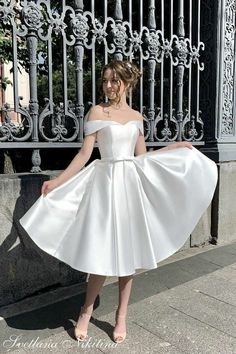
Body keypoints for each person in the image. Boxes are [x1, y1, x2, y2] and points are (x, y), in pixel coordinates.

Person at [20, 60, 218, 344]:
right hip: (104, 186)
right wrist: (57, 181)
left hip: (129, 188)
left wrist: (172, 148)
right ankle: (86, 311)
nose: (109, 86)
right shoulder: (97, 111)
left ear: (127, 83)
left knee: (129, 254)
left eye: (114, 81)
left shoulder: (137, 117)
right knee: (101, 250)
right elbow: (84, 155)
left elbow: (141, 158)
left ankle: (121, 315)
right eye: (105, 81)